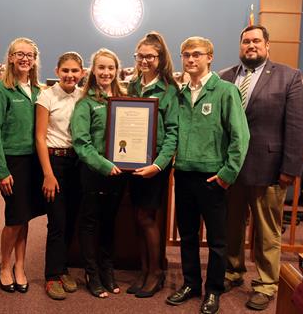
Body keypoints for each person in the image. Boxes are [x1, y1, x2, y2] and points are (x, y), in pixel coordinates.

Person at [219, 25, 303, 311]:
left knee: (267, 231)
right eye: (246, 41)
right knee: (231, 226)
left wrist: (290, 168)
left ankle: (266, 283)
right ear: (240, 46)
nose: (251, 45)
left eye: (256, 40)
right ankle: (232, 272)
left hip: (269, 169)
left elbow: (297, 126)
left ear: (267, 45)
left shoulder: (289, 77)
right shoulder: (225, 77)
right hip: (231, 169)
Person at [166, 36, 249, 314]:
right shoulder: (179, 93)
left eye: (197, 54)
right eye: (186, 55)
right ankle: (191, 283)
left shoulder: (225, 91)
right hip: (185, 175)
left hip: (214, 178)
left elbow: (241, 136)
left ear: (209, 57)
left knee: (217, 240)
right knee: (187, 236)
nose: (191, 59)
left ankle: (213, 290)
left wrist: (228, 173)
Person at [0, 37, 44, 295]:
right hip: (13, 162)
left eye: (29, 55)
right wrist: (1, 170)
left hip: (35, 161)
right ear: (10, 58)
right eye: (19, 54)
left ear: (34, 60)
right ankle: (5, 265)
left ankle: (21, 265)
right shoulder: (1, 90)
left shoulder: (39, 90)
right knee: (14, 217)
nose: (24, 59)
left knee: (25, 216)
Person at [70, 48, 127, 299]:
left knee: (110, 222)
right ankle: (91, 273)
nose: (106, 72)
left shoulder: (126, 99)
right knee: (91, 222)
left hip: (120, 172)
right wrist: (103, 165)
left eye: (110, 68)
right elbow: (81, 143)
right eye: (101, 67)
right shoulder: (85, 103)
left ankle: (107, 269)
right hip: (94, 172)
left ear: (117, 71)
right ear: (93, 70)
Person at [125, 32, 178, 298]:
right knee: (137, 217)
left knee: (147, 217)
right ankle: (144, 270)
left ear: (160, 58)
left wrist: (157, 166)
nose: (144, 60)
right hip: (133, 161)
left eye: (150, 56)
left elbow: (172, 134)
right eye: (140, 56)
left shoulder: (169, 89)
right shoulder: (133, 85)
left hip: (155, 164)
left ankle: (156, 272)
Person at [35, 52, 84, 300]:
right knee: (57, 221)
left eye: (75, 71)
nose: (70, 75)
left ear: (82, 73)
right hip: (55, 161)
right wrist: (48, 173)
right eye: (65, 70)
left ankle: (63, 268)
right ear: (57, 71)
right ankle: (51, 276)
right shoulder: (46, 95)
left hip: (77, 161)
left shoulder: (82, 96)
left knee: (71, 219)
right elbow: (39, 137)